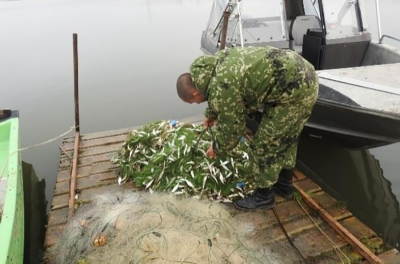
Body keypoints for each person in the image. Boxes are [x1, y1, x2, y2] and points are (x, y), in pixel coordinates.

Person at [176, 46, 318, 211]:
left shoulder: (223, 87)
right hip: (301, 73)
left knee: (265, 144)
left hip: (296, 90)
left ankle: (263, 197)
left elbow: (232, 130)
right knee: (287, 137)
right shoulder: (214, 66)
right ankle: (284, 185)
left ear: (195, 94)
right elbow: (218, 93)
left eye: (193, 102)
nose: (196, 104)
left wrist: (216, 147)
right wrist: (211, 113)